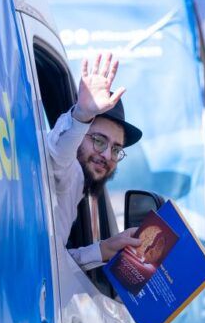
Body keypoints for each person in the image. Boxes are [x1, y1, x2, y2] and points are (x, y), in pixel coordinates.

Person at [46, 52, 143, 271]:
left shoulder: (79, 187)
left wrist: (104, 248)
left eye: (116, 149)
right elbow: (58, 153)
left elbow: (55, 265)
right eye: (99, 141)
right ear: (80, 135)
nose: (107, 155)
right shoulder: (68, 171)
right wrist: (81, 115)